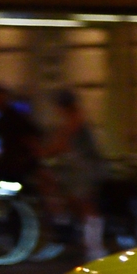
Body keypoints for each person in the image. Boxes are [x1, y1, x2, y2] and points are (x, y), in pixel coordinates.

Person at [45, 89, 114, 259]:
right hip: (80, 169)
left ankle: (95, 248)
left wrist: (43, 151)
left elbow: (61, 143)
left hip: (87, 170)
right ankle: (81, 239)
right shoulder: (73, 119)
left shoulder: (75, 119)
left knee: (87, 206)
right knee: (74, 201)